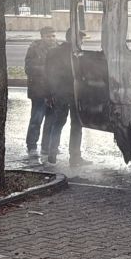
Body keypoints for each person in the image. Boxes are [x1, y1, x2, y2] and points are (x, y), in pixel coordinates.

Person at [42, 28, 86, 166]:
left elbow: (47, 75)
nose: (82, 42)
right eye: (81, 39)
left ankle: (52, 154)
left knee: (58, 123)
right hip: (74, 94)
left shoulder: (53, 52)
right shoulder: (78, 54)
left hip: (58, 93)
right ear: (75, 39)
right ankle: (75, 157)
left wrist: (49, 94)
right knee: (76, 125)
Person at [24, 26, 56, 160]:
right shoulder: (34, 49)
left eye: (53, 36)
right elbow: (29, 68)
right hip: (39, 91)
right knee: (36, 119)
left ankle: (46, 147)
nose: (52, 38)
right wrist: (47, 70)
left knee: (51, 120)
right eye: (49, 36)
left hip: (53, 91)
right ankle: (31, 146)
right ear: (42, 37)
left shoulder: (57, 48)